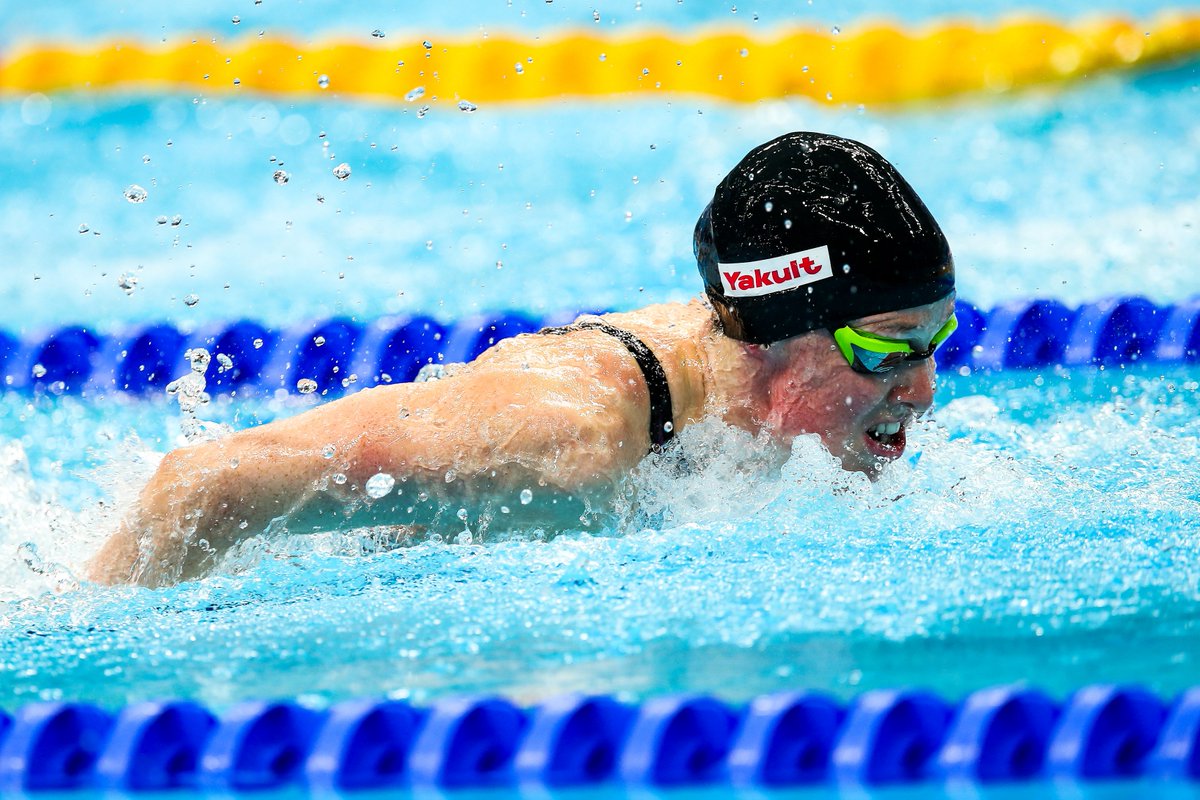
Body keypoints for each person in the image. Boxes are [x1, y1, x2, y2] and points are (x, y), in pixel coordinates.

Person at [86, 131, 956, 587]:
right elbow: (203, 485)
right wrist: (87, 635)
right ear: (771, 339)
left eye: (936, 344)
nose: (921, 390)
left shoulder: (736, 384)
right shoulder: (564, 440)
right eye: (885, 351)